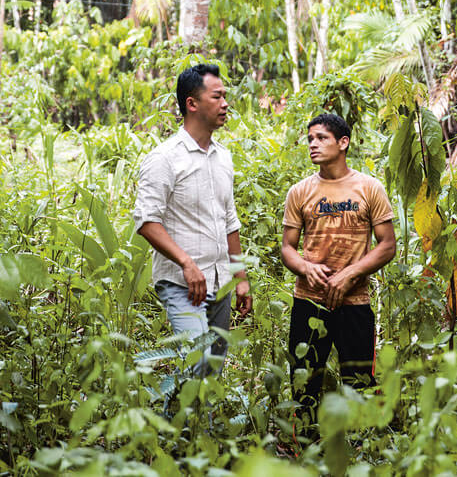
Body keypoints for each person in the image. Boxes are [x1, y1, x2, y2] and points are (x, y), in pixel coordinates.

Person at [280, 113, 396, 437]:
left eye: (321, 138)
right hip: (309, 302)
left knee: (358, 382)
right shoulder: (299, 192)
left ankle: (363, 451)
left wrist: (351, 274)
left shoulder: (369, 188)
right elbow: (288, 248)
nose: (313, 145)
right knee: (304, 382)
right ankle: (304, 450)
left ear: (343, 142)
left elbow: (387, 246)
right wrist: (305, 267)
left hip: (354, 302)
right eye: (310, 139)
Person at [133, 64, 252, 377]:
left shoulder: (223, 156)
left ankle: (198, 426)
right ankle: (172, 424)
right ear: (192, 103)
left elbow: (230, 221)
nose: (226, 103)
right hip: (181, 283)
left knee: (212, 368)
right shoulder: (165, 158)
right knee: (197, 359)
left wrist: (240, 277)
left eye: (225, 96)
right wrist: (187, 263)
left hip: (220, 279)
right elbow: (147, 221)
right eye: (217, 96)